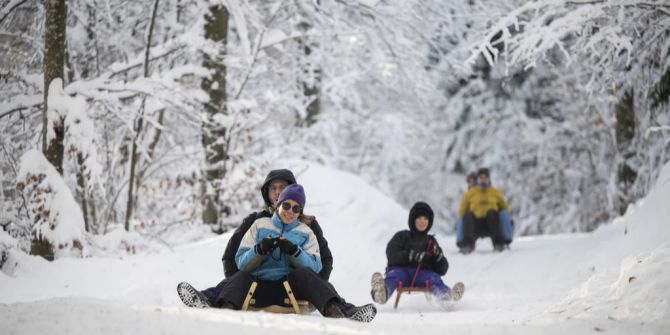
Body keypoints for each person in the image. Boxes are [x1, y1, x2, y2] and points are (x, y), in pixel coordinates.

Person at [177, 169, 376, 322]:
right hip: (256, 281)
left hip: (292, 283)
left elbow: (321, 261)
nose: (289, 208)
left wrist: (314, 288)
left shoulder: (307, 227)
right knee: (239, 277)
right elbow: (234, 256)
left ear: (300, 208)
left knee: (311, 278)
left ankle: (344, 310)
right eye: (274, 188)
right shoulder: (257, 222)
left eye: (295, 207)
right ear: (271, 195)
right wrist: (239, 278)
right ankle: (210, 301)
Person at [370, 202, 464, 305]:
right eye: (419, 218)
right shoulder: (401, 236)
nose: (422, 221)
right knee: (394, 276)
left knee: (433, 279)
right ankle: (382, 292)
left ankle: (447, 297)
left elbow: (442, 270)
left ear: (429, 221)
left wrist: (438, 257)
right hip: (401, 271)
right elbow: (392, 256)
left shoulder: (431, 242)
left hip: (423, 274)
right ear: (413, 219)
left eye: (425, 219)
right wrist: (410, 255)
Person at [456, 167, 512, 253]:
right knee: (467, 215)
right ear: (478, 179)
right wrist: (458, 223)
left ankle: (498, 243)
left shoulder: (495, 192)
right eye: (481, 178)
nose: (483, 180)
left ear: (488, 179)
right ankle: (467, 244)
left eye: (485, 178)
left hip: (491, 223)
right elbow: (462, 210)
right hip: (475, 224)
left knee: (492, 212)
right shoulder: (471, 192)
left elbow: (504, 207)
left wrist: (507, 219)